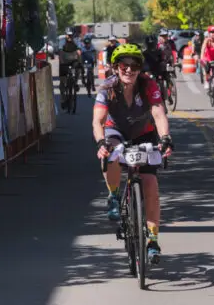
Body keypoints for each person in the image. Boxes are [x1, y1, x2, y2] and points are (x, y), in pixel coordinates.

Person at [92, 43, 174, 264]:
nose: (129, 70)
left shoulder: (148, 84)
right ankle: (113, 195)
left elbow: (158, 113)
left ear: (140, 67)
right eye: (124, 65)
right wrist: (101, 142)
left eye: (134, 65)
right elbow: (98, 121)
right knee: (110, 154)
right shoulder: (107, 87)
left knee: (150, 184)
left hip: (143, 133)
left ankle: (153, 240)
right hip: (115, 130)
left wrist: (165, 138)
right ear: (116, 67)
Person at [58, 29, 83, 107]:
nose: (70, 37)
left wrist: (80, 62)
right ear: (65, 35)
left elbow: (79, 51)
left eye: (71, 35)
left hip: (73, 60)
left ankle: (75, 82)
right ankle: (63, 98)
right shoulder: (62, 41)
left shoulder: (76, 40)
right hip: (64, 61)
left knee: (78, 68)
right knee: (62, 81)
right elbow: (60, 53)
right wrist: (62, 63)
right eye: (68, 35)